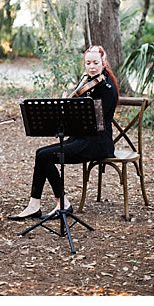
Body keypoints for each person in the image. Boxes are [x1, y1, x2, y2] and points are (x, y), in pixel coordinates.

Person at [9, 45, 119, 219]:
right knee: (41, 154)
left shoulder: (107, 89)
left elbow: (94, 123)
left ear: (103, 63)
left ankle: (62, 204)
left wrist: (72, 108)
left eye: (95, 63)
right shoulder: (88, 82)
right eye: (88, 63)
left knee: (45, 156)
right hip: (80, 138)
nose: (91, 67)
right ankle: (35, 204)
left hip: (97, 143)